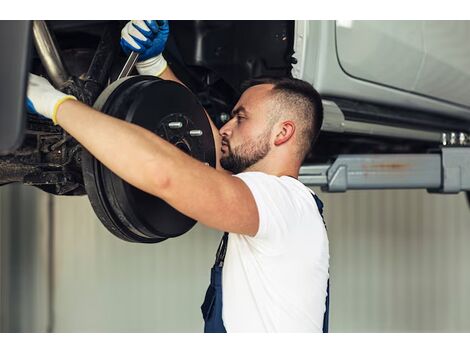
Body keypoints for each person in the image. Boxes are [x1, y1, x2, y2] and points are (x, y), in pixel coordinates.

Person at [26, 20, 329, 333]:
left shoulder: (283, 203)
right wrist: (155, 65)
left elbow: (167, 174)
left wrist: (59, 106)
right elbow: (211, 156)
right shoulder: (285, 207)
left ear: (283, 132)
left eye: (240, 119)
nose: (224, 127)